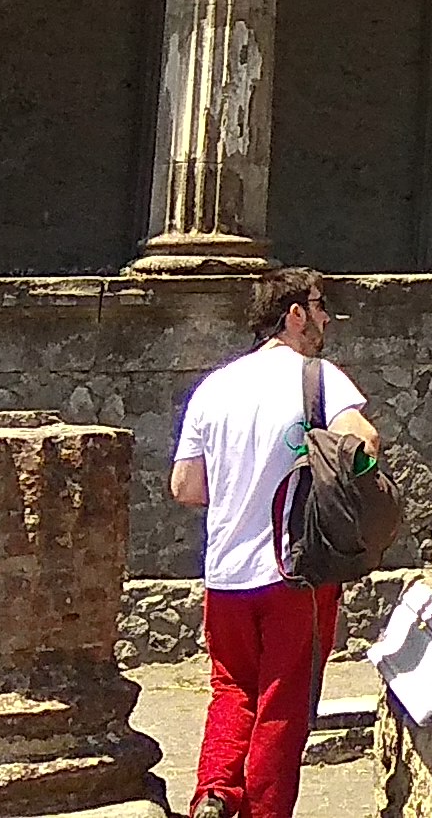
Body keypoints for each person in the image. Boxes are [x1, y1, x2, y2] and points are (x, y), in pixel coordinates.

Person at [170, 270, 376, 818]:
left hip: (224, 576)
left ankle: (215, 792)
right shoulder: (319, 377)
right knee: (282, 706)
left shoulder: (213, 388)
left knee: (231, 688)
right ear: (295, 314)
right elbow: (365, 442)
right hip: (295, 572)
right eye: (320, 305)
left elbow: (185, 487)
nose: (327, 318)